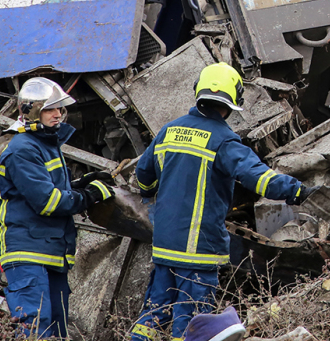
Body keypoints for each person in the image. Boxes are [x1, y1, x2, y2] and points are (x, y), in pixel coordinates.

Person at [129, 64, 314, 341]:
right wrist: (299, 191)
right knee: (191, 324)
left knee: (154, 314)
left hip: (165, 246)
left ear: (198, 92)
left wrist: (155, 192)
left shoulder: (169, 131)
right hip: (199, 252)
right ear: (234, 101)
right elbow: (261, 180)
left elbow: (143, 175)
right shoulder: (224, 141)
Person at [0, 78, 114, 339]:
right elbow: (47, 201)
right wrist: (89, 195)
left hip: (50, 254)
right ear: (33, 111)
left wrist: (80, 184)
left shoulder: (46, 146)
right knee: (35, 327)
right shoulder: (22, 149)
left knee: (57, 329)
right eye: (50, 109)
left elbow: (52, 188)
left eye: (60, 108)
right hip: (27, 254)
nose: (58, 114)